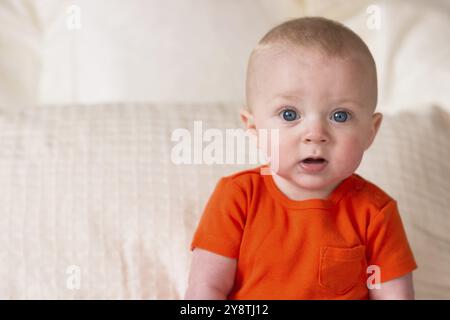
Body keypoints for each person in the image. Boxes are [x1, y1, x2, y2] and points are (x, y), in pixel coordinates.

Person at [185, 17, 417, 299]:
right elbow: (204, 291)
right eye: (289, 114)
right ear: (255, 129)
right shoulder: (238, 198)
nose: (315, 134)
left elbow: (395, 296)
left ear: (371, 131)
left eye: (340, 116)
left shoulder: (375, 213)